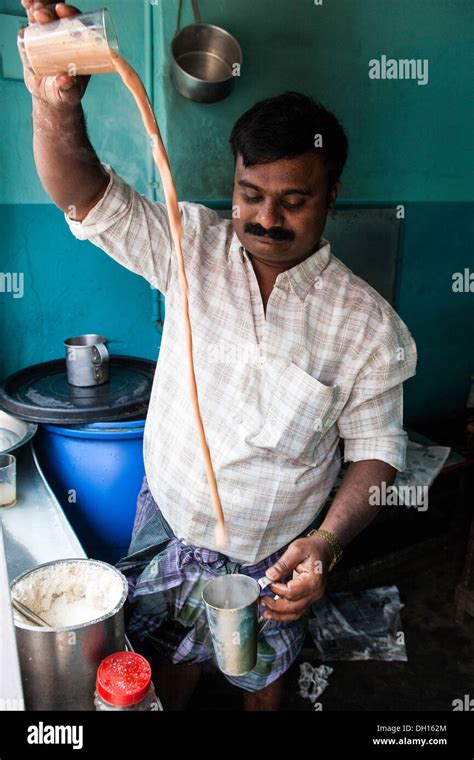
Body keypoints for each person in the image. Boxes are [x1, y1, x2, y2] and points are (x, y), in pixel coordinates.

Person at [22, 0, 417, 711]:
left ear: (333, 195)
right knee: (169, 670)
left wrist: (325, 544)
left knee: (260, 682)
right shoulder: (190, 248)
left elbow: (377, 451)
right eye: (250, 194)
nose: (266, 218)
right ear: (233, 183)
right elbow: (81, 195)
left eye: (294, 200)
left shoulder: (367, 325)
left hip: (279, 558)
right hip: (171, 526)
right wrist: (55, 105)